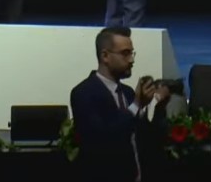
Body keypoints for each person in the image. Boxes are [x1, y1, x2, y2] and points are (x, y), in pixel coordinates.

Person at [69, 27, 170, 182]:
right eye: (125, 53)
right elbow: (102, 140)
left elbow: (146, 141)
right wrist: (136, 105)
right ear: (105, 56)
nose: (131, 60)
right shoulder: (83, 93)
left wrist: (160, 107)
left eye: (132, 53)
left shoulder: (128, 93)